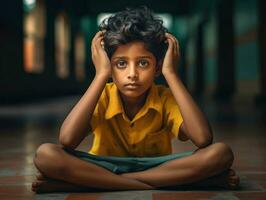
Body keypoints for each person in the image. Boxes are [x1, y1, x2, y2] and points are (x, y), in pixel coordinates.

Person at [31, 6, 239, 193]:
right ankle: (186, 182)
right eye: (121, 64)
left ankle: (93, 184)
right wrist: (101, 75)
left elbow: (203, 138)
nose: (132, 74)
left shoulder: (164, 98)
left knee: (220, 153)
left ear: (157, 67)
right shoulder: (103, 95)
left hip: (159, 166)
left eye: (143, 64)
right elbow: (67, 140)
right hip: (102, 165)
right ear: (109, 66)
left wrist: (172, 75)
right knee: (46, 154)